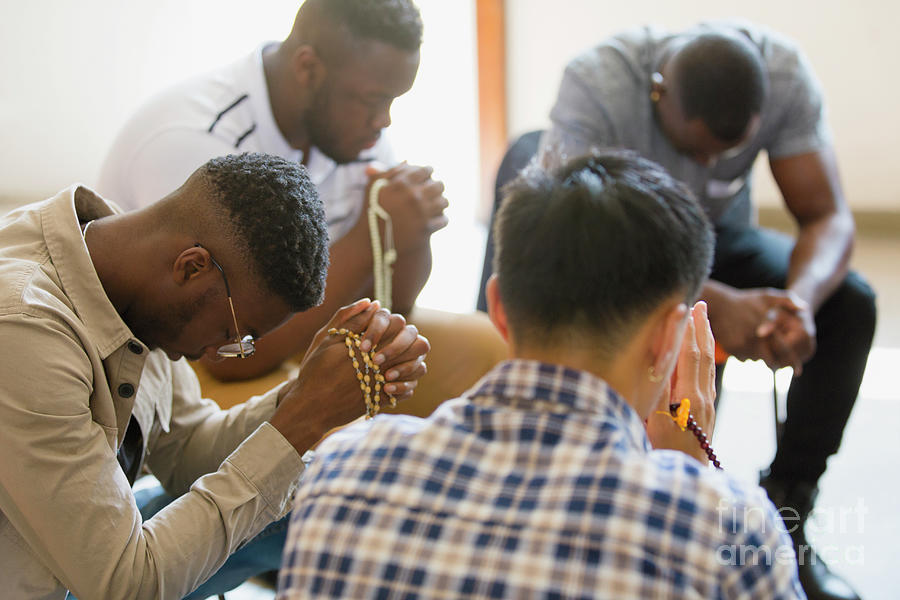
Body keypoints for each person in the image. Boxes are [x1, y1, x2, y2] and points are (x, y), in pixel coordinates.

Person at [276, 150, 804, 599]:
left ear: (499, 308)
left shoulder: (338, 474)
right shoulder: (730, 533)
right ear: (669, 337)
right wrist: (684, 479)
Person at [539, 21, 875, 600]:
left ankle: (790, 502)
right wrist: (713, 302)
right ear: (658, 91)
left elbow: (827, 214)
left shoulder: (786, 74)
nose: (712, 164)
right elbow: (577, 236)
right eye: (697, 150)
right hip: (614, 248)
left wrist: (798, 303)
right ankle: (633, 505)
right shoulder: (598, 83)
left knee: (851, 304)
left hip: (717, 240)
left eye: (730, 154)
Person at [0, 152, 429, 600]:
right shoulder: (23, 327)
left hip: (98, 564)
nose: (221, 356)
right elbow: (127, 585)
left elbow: (186, 451)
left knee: (332, 490)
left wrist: (303, 395)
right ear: (192, 267)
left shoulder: (127, 270)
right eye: (232, 334)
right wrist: (301, 420)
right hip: (78, 581)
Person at [96, 0, 502, 404]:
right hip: (178, 367)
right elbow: (230, 351)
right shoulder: (198, 139)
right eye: (372, 101)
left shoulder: (349, 130)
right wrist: (368, 239)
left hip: (298, 342)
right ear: (308, 68)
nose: (383, 121)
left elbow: (395, 301)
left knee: (488, 349)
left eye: (393, 100)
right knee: (332, 422)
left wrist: (410, 231)